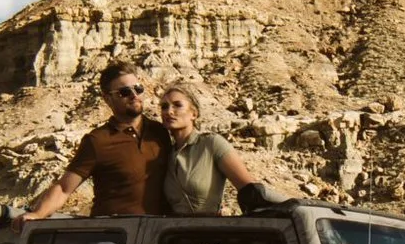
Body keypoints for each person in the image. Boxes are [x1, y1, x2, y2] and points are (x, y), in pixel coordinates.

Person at [20, 61, 171, 220]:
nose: (134, 95)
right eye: (124, 92)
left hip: (158, 233)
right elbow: (64, 188)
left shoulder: (160, 132)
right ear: (107, 99)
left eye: (138, 89)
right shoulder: (98, 141)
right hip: (115, 235)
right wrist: (37, 214)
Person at [155, 85, 259, 215]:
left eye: (177, 105)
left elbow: (250, 189)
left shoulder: (211, 143)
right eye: (164, 106)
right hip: (174, 233)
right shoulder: (166, 154)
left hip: (209, 230)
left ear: (194, 114)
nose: (169, 111)